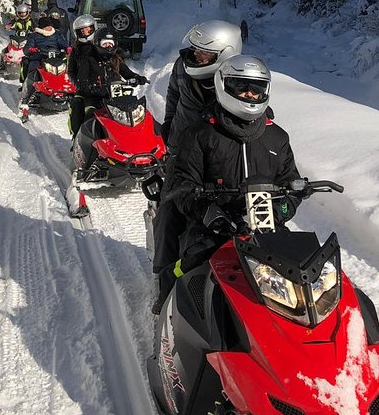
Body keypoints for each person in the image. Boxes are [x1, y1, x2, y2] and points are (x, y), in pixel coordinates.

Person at [152, 55, 301, 314]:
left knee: (301, 272)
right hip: (212, 227)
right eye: (240, 85)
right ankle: (166, 298)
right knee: (189, 265)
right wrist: (207, 211)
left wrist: (282, 210)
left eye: (257, 88)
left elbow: (290, 183)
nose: (249, 94)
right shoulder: (199, 134)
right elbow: (182, 183)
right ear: (223, 85)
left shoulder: (276, 137)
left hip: (265, 228)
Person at [151, 20, 244, 284]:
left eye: (204, 52)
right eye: (195, 50)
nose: (196, 55)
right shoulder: (183, 66)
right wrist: (169, 127)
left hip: (221, 155)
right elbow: (173, 95)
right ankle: (165, 278)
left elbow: (251, 101)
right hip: (183, 152)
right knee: (170, 214)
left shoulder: (233, 78)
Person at [72, 28, 148, 167]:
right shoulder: (88, 59)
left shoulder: (116, 59)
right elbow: (81, 81)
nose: (108, 46)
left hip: (116, 99)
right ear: (97, 43)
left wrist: (138, 78)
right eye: (105, 43)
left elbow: (127, 73)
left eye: (111, 43)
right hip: (94, 98)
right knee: (90, 120)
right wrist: (91, 87)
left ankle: (137, 149)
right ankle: (87, 154)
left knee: (132, 119)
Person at [19, 16, 69, 119]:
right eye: (47, 27)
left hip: (55, 59)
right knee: (33, 69)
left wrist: (67, 48)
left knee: (66, 69)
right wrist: (32, 50)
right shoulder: (34, 36)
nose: (50, 28)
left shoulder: (56, 35)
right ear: (42, 27)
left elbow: (64, 44)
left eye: (50, 26)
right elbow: (26, 49)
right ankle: (26, 96)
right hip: (39, 59)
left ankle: (68, 90)